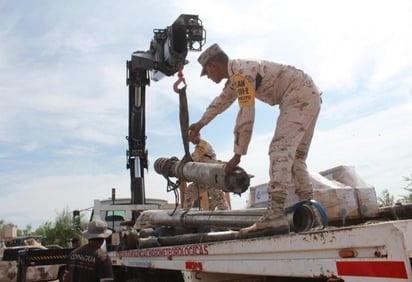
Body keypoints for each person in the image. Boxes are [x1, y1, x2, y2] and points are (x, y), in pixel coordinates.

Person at [189, 43, 321, 234]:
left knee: (279, 149)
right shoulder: (237, 75)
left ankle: (275, 215)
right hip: (309, 93)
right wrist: (200, 124)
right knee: (296, 159)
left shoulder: (241, 75)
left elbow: (246, 114)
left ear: (214, 65)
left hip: (297, 94)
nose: (208, 77)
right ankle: (312, 215)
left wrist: (237, 155)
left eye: (207, 72)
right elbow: (221, 101)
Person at [183, 131, 229, 211]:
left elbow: (193, 158)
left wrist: (182, 164)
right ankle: (185, 215)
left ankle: (230, 219)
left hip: (212, 179)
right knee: (190, 192)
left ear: (197, 135)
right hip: (202, 179)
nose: (190, 141)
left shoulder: (203, 145)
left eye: (191, 138)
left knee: (220, 202)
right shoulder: (198, 147)